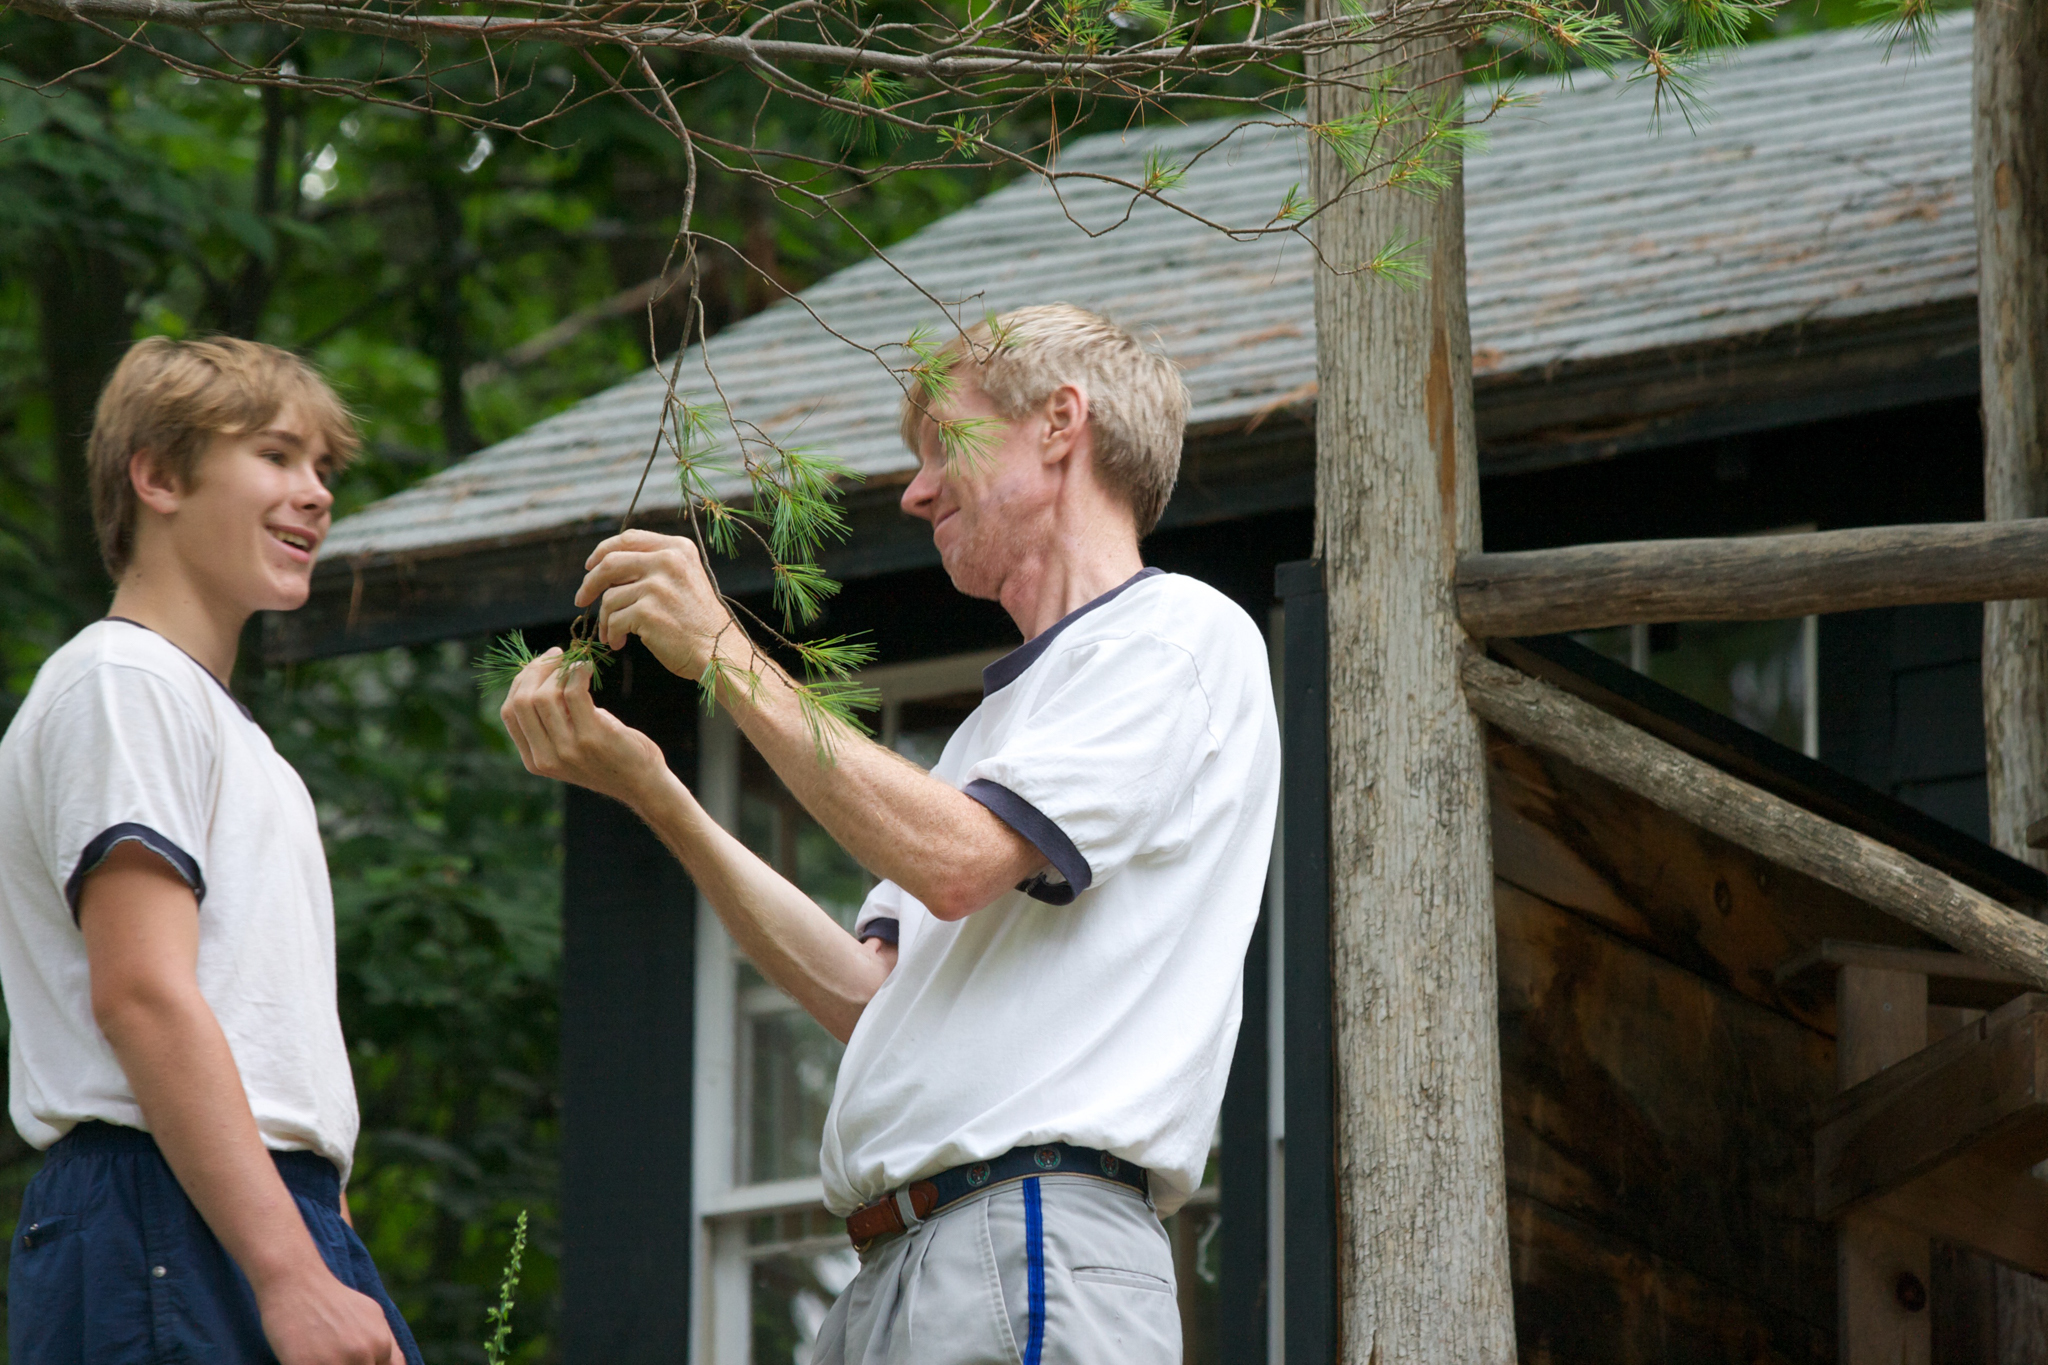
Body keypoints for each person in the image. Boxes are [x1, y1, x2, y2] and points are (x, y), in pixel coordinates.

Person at [501, 303, 1279, 1362]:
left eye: (942, 445)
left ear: (1061, 424)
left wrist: (726, 651)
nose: (914, 490)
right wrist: (656, 793)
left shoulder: (1174, 635)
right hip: (911, 1258)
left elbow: (958, 861)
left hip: (1028, 1232)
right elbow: (867, 995)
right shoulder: (989, 735)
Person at [0, 337, 421, 1365]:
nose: (316, 492)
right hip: (160, 1212)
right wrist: (290, 1274)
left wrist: (323, 1252)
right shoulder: (123, 682)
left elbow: (276, 1063)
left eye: (323, 467)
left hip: (254, 1211)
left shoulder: (232, 737)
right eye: (276, 455)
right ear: (157, 477)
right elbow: (142, 994)